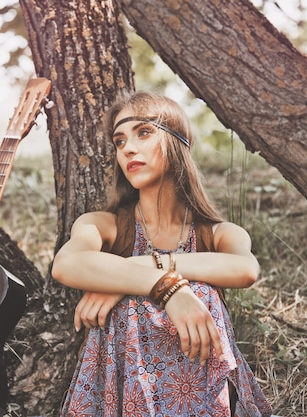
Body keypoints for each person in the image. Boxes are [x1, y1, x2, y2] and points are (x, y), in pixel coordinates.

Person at [51, 91, 273, 417]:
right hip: (123, 399)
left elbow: (245, 270)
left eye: (143, 132)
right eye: (119, 140)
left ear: (176, 140)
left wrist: (131, 275)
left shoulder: (218, 233)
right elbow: (67, 263)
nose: (127, 148)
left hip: (201, 396)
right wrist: (166, 289)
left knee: (202, 294)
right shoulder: (105, 225)